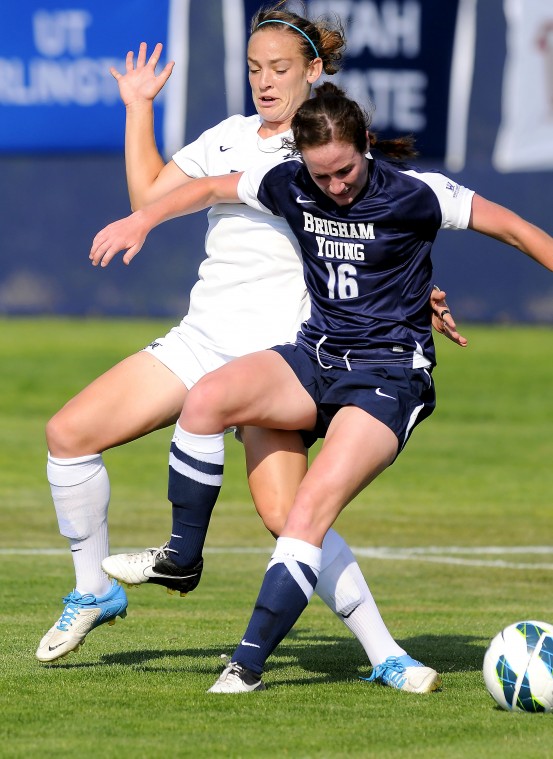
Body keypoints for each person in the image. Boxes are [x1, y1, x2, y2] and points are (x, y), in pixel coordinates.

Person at [38, 3, 458, 693]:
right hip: (201, 340)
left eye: (280, 69)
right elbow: (151, 193)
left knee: (288, 518)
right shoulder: (230, 136)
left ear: (313, 72)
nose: (265, 82)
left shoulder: (326, 148)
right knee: (69, 433)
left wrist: (424, 298)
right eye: (254, 69)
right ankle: (94, 591)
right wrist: (139, 107)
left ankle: (384, 652)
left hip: (279, 358)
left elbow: (387, 237)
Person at [90, 80, 553, 694]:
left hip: (388, 373)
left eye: (345, 170)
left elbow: (520, 231)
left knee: (304, 512)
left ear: (365, 142)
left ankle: (245, 667)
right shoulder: (289, 181)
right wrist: (144, 217)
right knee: (206, 399)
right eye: (321, 174)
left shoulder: (418, 193)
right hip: (317, 356)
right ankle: (182, 557)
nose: (334, 186)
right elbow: (205, 188)